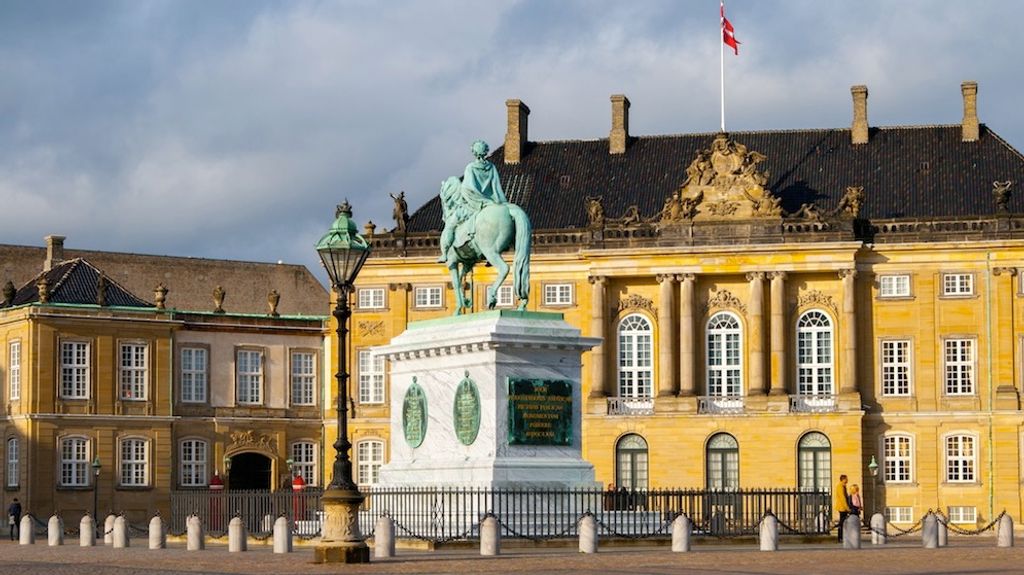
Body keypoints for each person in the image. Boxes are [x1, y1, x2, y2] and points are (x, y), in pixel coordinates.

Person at [437, 140, 508, 262]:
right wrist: (499, 203)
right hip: (491, 202)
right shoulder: (492, 168)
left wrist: (476, 200)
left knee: (449, 225)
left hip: (473, 205)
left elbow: (467, 189)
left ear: (474, 152)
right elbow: (497, 188)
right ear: (485, 152)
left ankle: (444, 253)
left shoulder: (470, 168)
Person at [834, 474, 849, 543]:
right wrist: (847, 508)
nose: (847, 480)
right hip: (842, 507)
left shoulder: (843, 486)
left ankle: (842, 536)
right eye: (846, 479)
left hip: (843, 507)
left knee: (843, 522)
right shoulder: (840, 487)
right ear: (843, 479)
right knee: (842, 523)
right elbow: (842, 498)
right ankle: (840, 537)